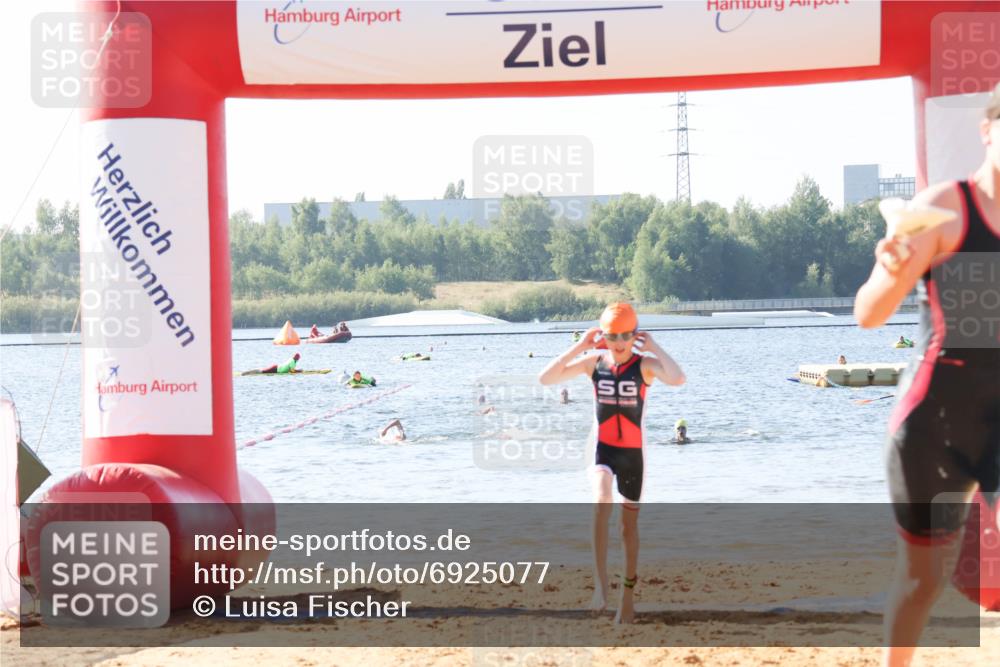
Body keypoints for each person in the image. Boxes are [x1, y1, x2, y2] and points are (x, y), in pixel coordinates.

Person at [854, 83, 1000, 667]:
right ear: (989, 131)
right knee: (922, 582)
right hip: (935, 424)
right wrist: (889, 271)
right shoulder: (944, 207)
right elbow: (869, 314)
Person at [538, 302, 685, 623]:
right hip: (602, 449)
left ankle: (627, 599)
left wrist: (656, 346)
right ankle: (601, 584)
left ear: (635, 335)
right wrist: (579, 345)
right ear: (603, 336)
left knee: (626, 527)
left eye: (625, 335)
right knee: (601, 499)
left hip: (633, 456)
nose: (619, 342)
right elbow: (546, 378)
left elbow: (677, 379)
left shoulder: (645, 366)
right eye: (612, 336)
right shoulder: (594, 363)